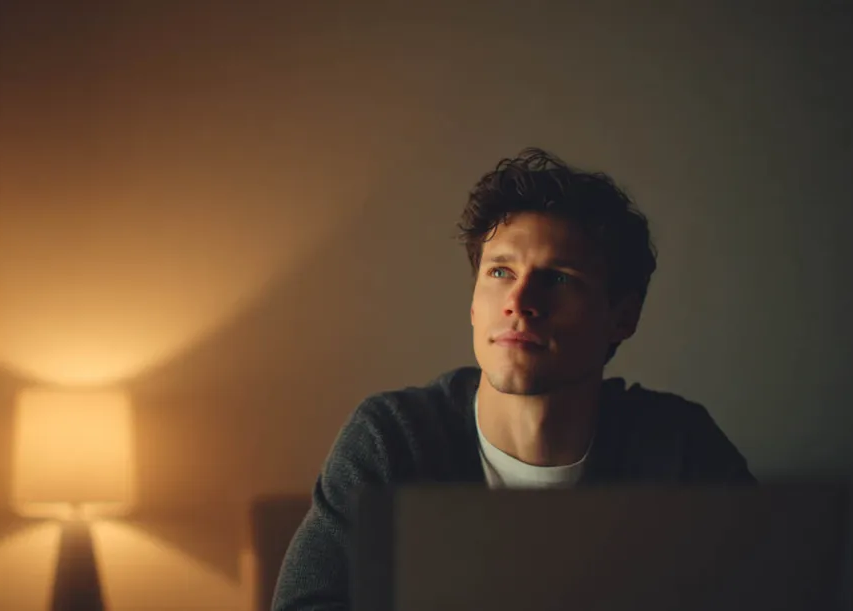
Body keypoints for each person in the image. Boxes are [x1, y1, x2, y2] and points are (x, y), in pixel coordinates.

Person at [272, 148, 755, 611]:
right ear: (474, 304)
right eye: (501, 271)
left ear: (622, 317)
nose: (520, 301)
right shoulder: (394, 438)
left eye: (560, 278)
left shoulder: (680, 449)